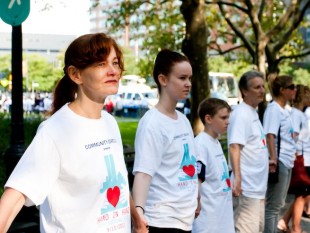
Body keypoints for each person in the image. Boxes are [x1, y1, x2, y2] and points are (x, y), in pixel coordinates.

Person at [0, 33, 147, 233]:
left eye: (115, 62)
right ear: (75, 74)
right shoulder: (55, 130)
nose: (113, 71)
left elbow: (117, 179)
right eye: (100, 64)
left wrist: (135, 218)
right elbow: (15, 196)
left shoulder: (110, 122)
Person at [132, 49, 198, 233]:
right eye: (182, 78)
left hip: (185, 219)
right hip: (162, 221)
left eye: (190, 78)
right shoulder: (152, 123)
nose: (188, 84)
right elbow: (143, 174)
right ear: (163, 80)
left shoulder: (183, 119)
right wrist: (139, 216)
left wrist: (196, 199)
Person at [227, 70, 268, 233]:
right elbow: (234, 146)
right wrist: (237, 178)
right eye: (257, 87)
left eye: (263, 87)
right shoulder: (241, 113)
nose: (262, 91)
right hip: (246, 189)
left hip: (257, 189)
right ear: (244, 91)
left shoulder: (253, 112)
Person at [277, 85, 310, 233]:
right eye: (308, 96)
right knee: (302, 194)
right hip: (301, 158)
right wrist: (295, 153)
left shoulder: (299, 113)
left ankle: (284, 221)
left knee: (304, 194)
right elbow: (293, 135)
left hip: (306, 157)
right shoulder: (296, 114)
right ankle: (296, 227)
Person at [192, 98, 234, 233]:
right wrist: (196, 204)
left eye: (228, 117)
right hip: (208, 222)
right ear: (208, 119)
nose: (228, 122)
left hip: (222, 217)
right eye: (223, 118)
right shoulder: (201, 144)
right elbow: (197, 180)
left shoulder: (215, 142)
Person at [263, 75, 297, 233]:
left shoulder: (283, 110)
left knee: (278, 204)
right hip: (280, 161)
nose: (294, 90)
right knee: (273, 205)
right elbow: (270, 135)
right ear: (282, 90)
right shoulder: (273, 109)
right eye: (291, 87)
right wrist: (273, 159)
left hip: (287, 160)